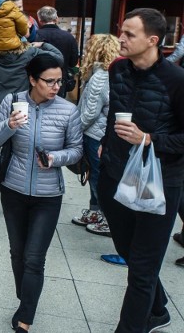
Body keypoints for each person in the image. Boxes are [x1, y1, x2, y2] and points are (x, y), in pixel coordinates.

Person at [97, 8, 184, 333]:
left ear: (153, 40)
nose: (121, 37)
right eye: (122, 31)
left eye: (129, 34)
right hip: (115, 173)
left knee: (142, 270)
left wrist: (149, 139)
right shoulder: (117, 68)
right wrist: (106, 146)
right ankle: (158, 309)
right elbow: (114, 113)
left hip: (159, 181)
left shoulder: (176, 81)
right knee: (127, 250)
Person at [0, 54, 82, 332]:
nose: (56, 87)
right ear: (32, 80)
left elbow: (76, 150)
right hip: (13, 190)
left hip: (48, 195)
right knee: (17, 253)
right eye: (49, 81)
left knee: (34, 257)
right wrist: (9, 125)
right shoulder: (11, 102)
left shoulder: (67, 110)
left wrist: (54, 158)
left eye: (59, 81)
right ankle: (25, 299)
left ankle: (25, 320)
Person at [0, 40, 63, 217]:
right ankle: (16, 200)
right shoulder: (29, 52)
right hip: (19, 110)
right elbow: (57, 58)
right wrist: (43, 44)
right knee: (19, 154)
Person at [71, 34, 120, 237]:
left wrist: (74, 130)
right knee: (97, 176)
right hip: (102, 133)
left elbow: (90, 113)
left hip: (95, 134)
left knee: (97, 177)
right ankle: (95, 212)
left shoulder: (100, 76)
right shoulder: (112, 73)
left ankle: (105, 217)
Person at [35, 6, 79, 97]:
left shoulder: (35, 36)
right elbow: (73, 62)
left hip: (38, 81)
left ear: (39, 20)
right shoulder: (68, 37)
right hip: (60, 81)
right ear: (56, 19)